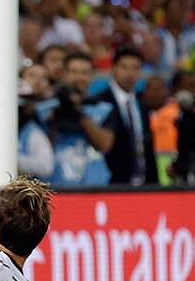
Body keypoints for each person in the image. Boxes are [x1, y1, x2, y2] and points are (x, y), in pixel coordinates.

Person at [88, 47, 157, 184]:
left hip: (143, 184)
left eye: (135, 68)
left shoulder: (142, 103)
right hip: (112, 183)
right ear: (114, 69)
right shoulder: (100, 101)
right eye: (124, 67)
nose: (130, 73)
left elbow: (147, 145)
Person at [45, 51, 116, 187]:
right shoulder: (47, 108)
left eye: (85, 73)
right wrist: (59, 113)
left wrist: (79, 113)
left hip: (94, 186)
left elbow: (104, 145)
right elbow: (42, 146)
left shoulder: (104, 108)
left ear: (92, 76)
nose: (79, 77)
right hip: (53, 185)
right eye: (74, 72)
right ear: (64, 75)